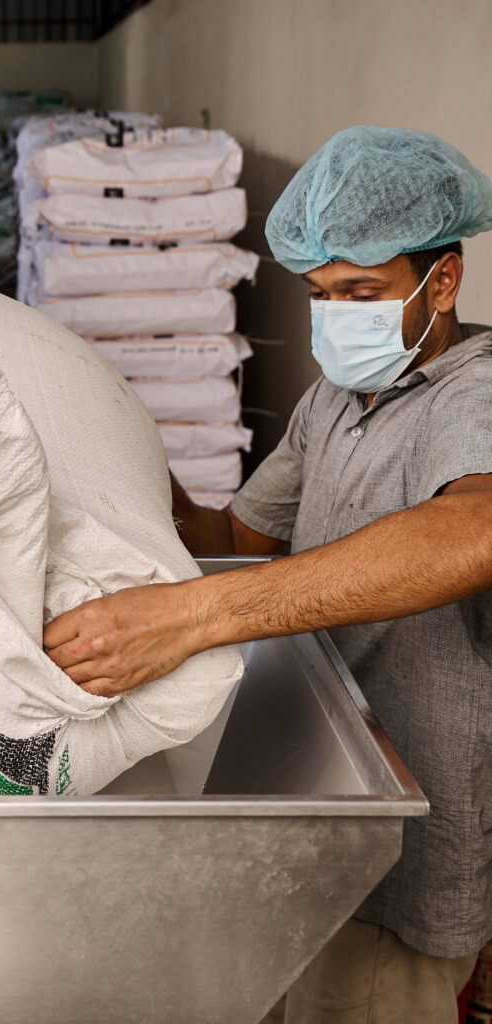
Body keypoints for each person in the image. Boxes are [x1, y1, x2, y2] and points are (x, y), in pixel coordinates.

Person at [43, 126, 492, 1024]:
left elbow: (471, 529)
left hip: (413, 838)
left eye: (362, 293)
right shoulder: (336, 398)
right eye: (321, 295)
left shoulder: (472, 394)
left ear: (442, 282)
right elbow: (232, 535)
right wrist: (101, 438)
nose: (335, 317)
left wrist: (193, 617)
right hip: (323, 803)